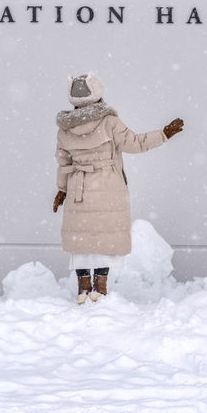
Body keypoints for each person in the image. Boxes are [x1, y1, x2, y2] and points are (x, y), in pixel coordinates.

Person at [53, 73, 184, 304]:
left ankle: (83, 289)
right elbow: (136, 143)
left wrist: (62, 190)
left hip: (78, 188)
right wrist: (163, 134)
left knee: (81, 239)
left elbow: (64, 162)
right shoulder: (109, 122)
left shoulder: (65, 129)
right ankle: (99, 290)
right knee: (104, 237)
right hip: (107, 186)